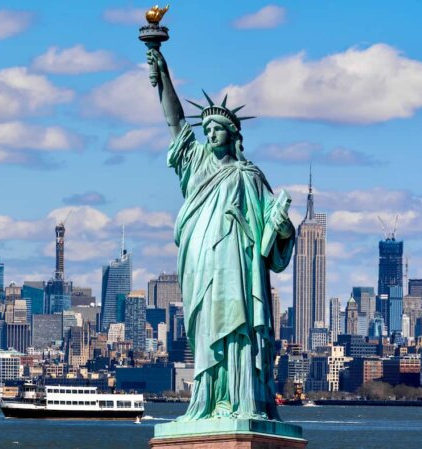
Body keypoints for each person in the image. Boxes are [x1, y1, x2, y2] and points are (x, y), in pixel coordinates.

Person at [147, 47, 295, 421]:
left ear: (233, 135)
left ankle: (240, 401)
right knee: (207, 327)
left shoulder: (250, 176)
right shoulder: (195, 163)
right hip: (201, 261)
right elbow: (175, 122)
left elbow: (273, 230)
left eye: (217, 129)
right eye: (207, 129)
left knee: (239, 327)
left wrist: (281, 226)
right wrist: (162, 75)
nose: (210, 134)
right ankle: (208, 402)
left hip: (238, 266)